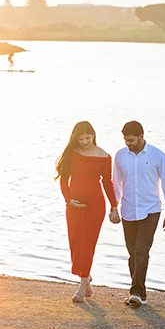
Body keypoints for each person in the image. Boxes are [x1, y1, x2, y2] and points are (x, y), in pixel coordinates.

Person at [111, 120, 165, 308]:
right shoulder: (121, 156)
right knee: (132, 254)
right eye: (125, 140)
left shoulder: (158, 156)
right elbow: (116, 184)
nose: (128, 143)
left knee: (141, 250)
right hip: (128, 210)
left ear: (141, 136)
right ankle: (141, 293)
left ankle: (136, 292)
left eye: (131, 140)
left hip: (151, 210)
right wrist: (113, 208)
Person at [56, 121, 118, 302]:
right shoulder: (71, 153)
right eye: (81, 139)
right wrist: (69, 200)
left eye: (87, 138)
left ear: (93, 134)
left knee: (87, 244)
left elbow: (107, 183)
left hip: (95, 206)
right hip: (73, 206)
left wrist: (114, 206)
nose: (84, 142)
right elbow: (63, 180)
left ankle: (82, 287)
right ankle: (87, 277)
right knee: (75, 244)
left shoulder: (104, 156)